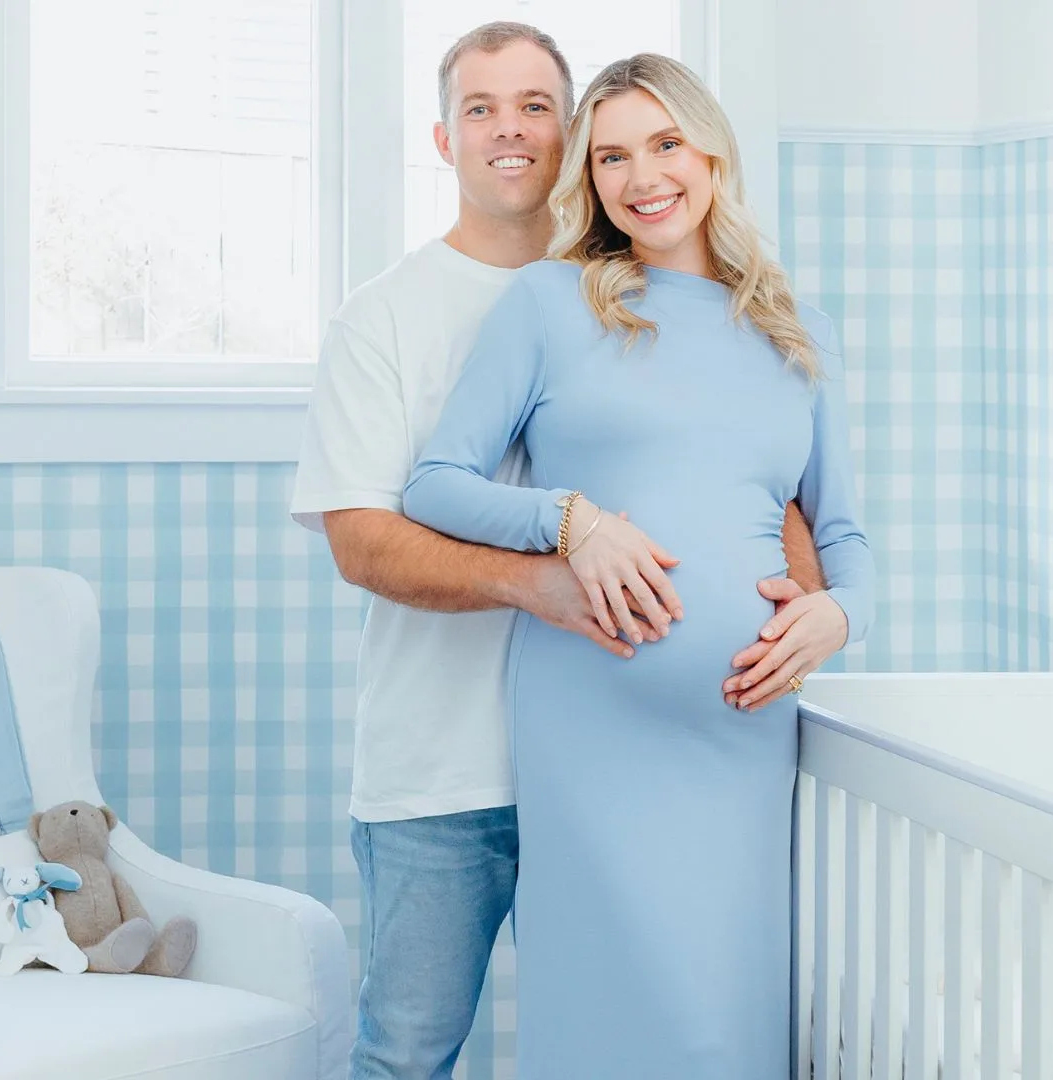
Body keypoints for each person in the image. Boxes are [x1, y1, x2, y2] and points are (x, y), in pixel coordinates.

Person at [287, 24, 828, 1080]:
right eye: (480, 108)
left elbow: (762, 482)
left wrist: (808, 606)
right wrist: (553, 567)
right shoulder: (385, 318)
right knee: (409, 1051)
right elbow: (364, 541)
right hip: (446, 768)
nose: (510, 130)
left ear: (570, 131)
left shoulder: (652, 297)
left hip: (629, 753)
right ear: (443, 139)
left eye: (536, 105)